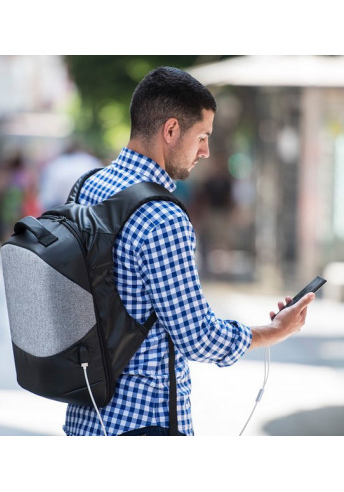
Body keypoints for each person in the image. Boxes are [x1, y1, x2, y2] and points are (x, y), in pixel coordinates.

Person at [63, 67, 315, 437]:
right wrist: (273, 331)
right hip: (143, 424)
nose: (206, 150)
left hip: (85, 416)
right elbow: (197, 337)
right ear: (170, 131)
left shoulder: (87, 187)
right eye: (202, 136)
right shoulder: (162, 216)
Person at [39, 142, 103, 210]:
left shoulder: (57, 164)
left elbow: (48, 198)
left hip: (61, 210)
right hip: (88, 210)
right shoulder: (92, 162)